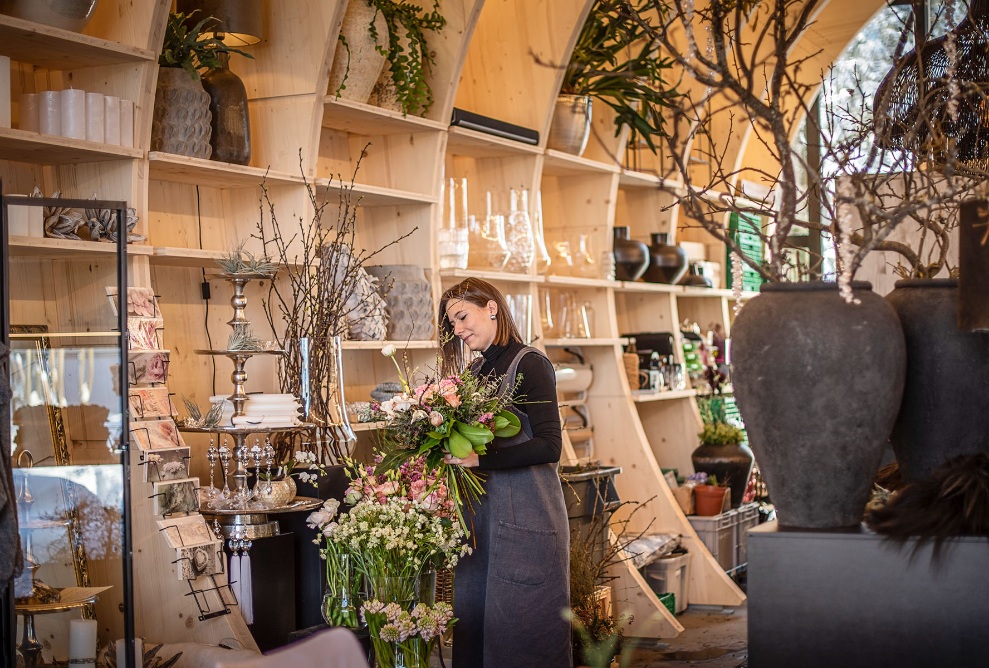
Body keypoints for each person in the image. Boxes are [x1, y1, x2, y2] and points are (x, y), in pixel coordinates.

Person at [438, 277, 572, 668]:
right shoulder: (478, 371)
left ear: (491, 307)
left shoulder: (530, 363)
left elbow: (550, 445)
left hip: (528, 521)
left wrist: (480, 461)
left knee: (525, 631)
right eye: (453, 325)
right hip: (483, 523)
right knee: (477, 631)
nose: (459, 330)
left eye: (462, 317)